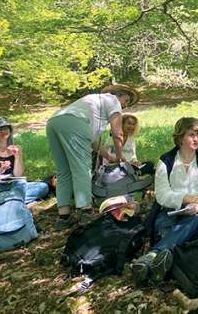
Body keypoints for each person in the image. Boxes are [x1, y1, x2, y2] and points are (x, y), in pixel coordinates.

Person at [131, 117, 198, 286]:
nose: (196, 139)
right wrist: (187, 199)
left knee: (189, 224)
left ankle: (152, 256)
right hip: (171, 209)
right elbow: (162, 195)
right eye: (191, 135)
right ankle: (159, 269)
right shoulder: (165, 161)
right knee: (162, 227)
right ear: (180, 138)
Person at [46, 83, 139, 229]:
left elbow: (93, 143)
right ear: (118, 95)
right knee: (82, 168)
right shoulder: (113, 101)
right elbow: (117, 133)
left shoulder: (93, 103)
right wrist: (120, 156)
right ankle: (86, 211)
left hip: (54, 121)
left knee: (63, 171)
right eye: (126, 101)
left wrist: (111, 156)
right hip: (73, 123)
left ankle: (63, 216)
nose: (125, 106)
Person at [0, 117, 49, 205]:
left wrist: (17, 156)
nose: (3, 131)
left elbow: (18, 175)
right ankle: (14, 199)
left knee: (43, 187)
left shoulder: (17, 148)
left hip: (13, 184)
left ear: (10, 130)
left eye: (5, 128)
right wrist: (0, 170)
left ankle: (5, 201)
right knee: (19, 185)